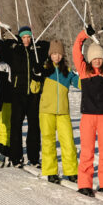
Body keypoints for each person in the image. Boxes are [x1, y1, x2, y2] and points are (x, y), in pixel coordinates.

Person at [73, 26, 103, 197]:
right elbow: (76, 48)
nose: (97, 60)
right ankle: (84, 183)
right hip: (88, 117)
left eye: (100, 57)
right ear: (89, 59)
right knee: (87, 151)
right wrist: (84, 34)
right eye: (94, 58)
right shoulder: (84, 71)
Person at [35, 39, 80, 184]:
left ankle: (72, 171)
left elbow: (80, 83)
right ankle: (51, 171)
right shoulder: (44, 69)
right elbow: (34, 89)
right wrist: (36, 76)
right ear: (50, 54)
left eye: (59, 54)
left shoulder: (66, 71)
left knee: (68, 142)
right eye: (54, 53)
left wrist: (90, 77)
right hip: (46, 110)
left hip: (63, 112)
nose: (57, 57)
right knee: (48, 141)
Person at [5, 26, 44, 168]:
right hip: (17, 92)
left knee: (34, 126)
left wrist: (37, 46)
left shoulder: (36, 51)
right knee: (16, 125)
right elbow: (2, 50)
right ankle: (16, 157)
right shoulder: (15, 50)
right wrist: (12, 41)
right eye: (23, 38)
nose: (26, 40)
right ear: (20, 38)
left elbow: (47, 47)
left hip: (33, 94)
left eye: (28, 37)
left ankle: (34, 158)